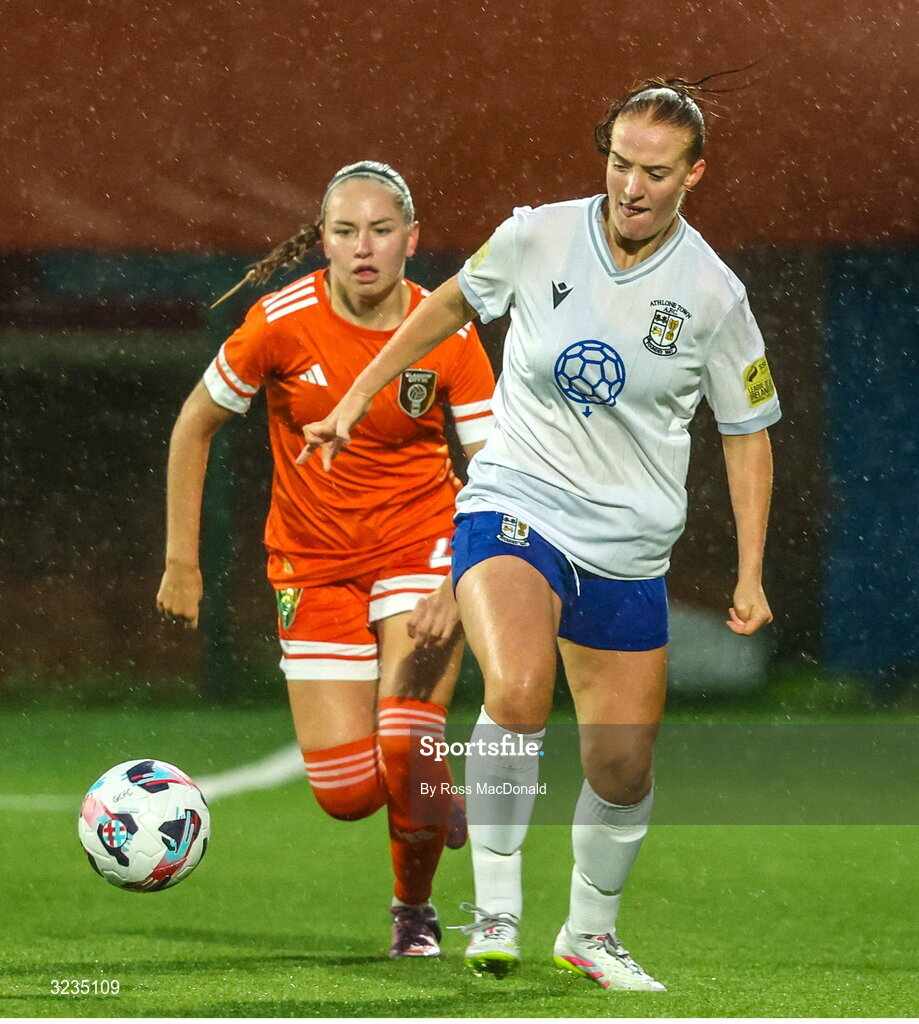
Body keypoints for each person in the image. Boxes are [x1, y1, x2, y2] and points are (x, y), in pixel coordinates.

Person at [300, 76, 781, 991]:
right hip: (515, 497)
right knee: (517, 688)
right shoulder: (536, 234)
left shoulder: (714, 293)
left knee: (622, 765)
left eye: (654, 172)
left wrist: (750, 569)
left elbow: (748, 431)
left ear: (693, 175)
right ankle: (496, 908)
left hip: (629, 541)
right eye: (617, 163)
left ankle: (589, 935)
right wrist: (360, 394)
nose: (630, 187)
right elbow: (444, 305)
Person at [156, 160, 496, 958]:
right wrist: (182, 562)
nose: (364, 248)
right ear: (324, 241)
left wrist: (456, 580)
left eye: (382, 230)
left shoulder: (449, 329)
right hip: (310, 566)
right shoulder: (278, 321)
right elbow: (192, 427)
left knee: (408, 741)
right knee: (346, 795)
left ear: (411, 239)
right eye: (346, 231)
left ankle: (412, 912)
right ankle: (437, 797)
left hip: (421, 546)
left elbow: (496, 471)